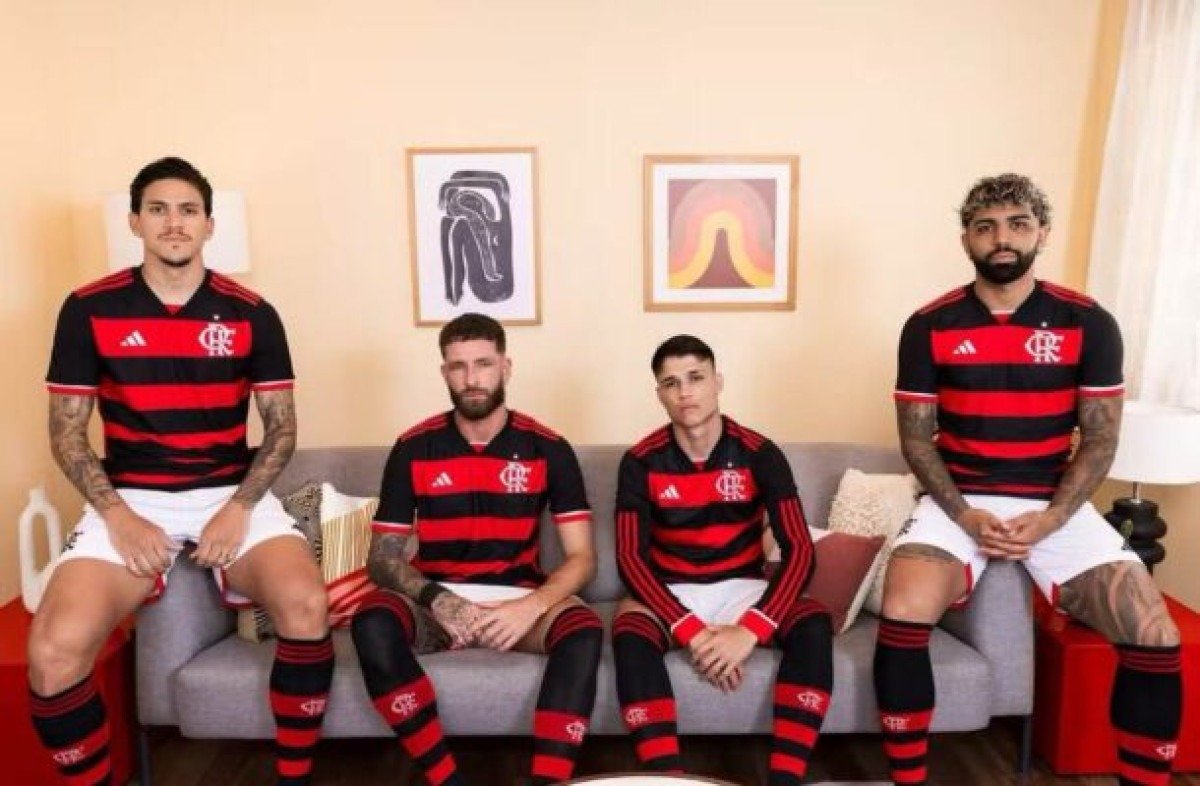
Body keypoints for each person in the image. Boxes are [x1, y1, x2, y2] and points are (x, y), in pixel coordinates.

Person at [29, 157, 332, 785]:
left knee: (307, 606)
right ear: (135, 221)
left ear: (209, 225)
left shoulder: (252, 312)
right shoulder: (88, 308)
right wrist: (118, 516)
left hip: (231, 492)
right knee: (53, 653)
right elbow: (66, 433)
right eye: (159, 209)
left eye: (188, 210)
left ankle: (294, 776)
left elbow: (282, 429)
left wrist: (239, 508)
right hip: (131, 497)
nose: (174, 222)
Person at [878, 173, 1181, 786]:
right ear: (966, 239)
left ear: (1042, 233)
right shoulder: (929, 324)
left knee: (1155, 632)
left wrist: (1051, 519)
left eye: (1018, 224)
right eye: (985, 227)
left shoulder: (1088, 321)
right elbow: (916, 440)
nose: (1002, 239)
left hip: (1053, 503)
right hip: (958, 501)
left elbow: (1100, 438)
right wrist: (965, 514)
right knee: (902, 610)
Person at [351, 312, 602, 786]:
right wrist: (439, 601)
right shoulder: (413, 446)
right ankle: (446, 778)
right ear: (444, 372)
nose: (472, 379)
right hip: (437, 603)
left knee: (584, 630)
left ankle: (548, 781)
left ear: (506, 367)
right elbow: (382, 560)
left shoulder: (548, 447)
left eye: (483, 364)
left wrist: (532, 605)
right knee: (371, 622)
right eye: (458, 366)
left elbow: (583, 559)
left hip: (517, 601)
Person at [613, 334, 833, 784]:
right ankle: (667, 779)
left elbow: (799, 549)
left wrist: (751, 629)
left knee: (813, 622)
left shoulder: (760, 453)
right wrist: (691, 630)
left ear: (718, 382)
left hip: (742, 587)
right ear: (660, 395)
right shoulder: (640, 460)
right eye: (671, 383)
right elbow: (631, 559)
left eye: (696, 377)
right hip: (670, 592)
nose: (685, 391)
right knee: (629, 633)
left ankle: (786, 779)